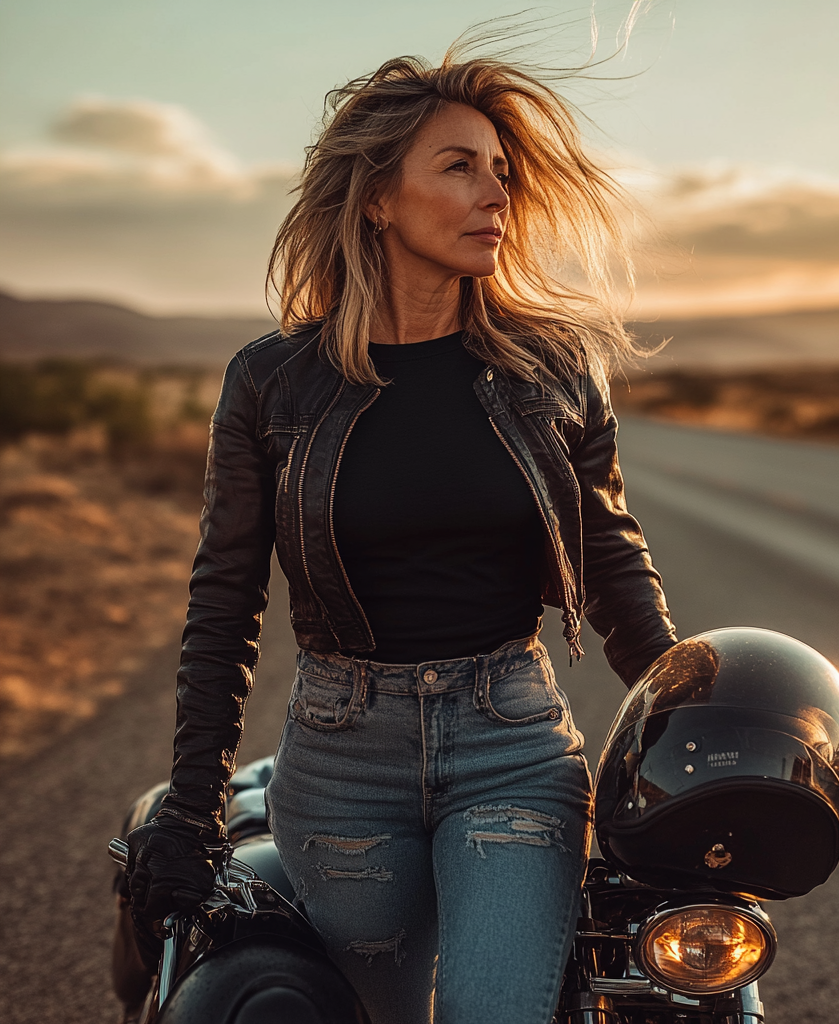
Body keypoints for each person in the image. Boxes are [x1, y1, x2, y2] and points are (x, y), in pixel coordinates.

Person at [125, 42, 677, 1024]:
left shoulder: (552, 369)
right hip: (341, 761)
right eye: (460, 167)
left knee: (492, 1010)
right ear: (376, 198)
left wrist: (700, 722)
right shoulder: (271, 383)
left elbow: (613, 568)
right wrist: (189, 803)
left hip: (507, 740)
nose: (495, 195)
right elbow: (224, 601)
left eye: (502, 173)